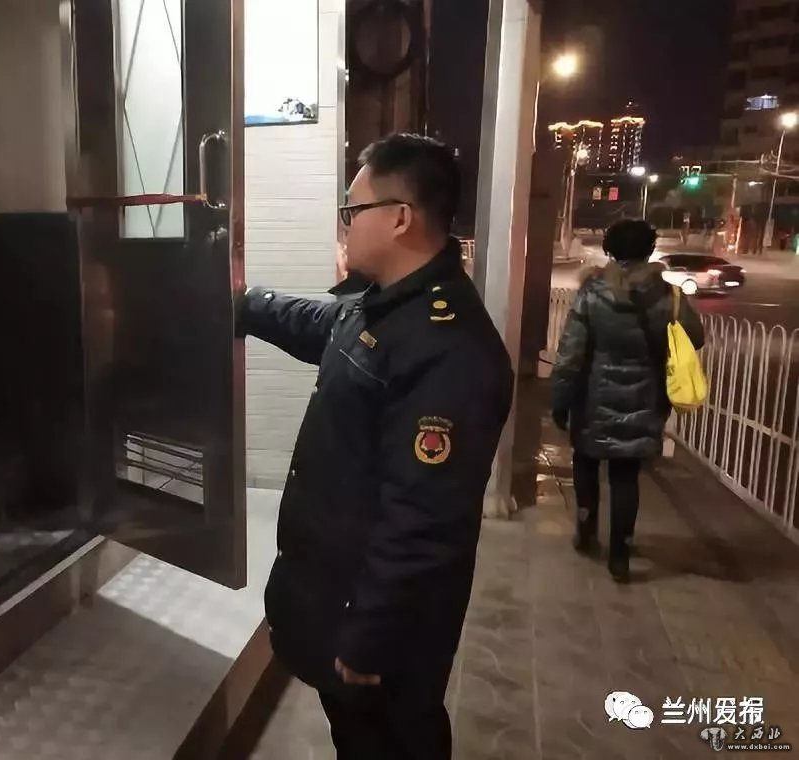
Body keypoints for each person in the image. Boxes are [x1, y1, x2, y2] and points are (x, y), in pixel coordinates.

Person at [237, 133, 514, 759]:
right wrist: (246, 304)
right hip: (339, 598)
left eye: (351, 210)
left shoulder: (450, 349)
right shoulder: (383, 306)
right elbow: (318, 323)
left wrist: (370, 638)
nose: (345, 224)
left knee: (392, 741)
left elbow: (424, 522)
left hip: (381, 631)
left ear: (399, 218)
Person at [551, 219, 704, 583]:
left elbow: (571, 353)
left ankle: (587, 532)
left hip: (593, 399)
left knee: (586, 463)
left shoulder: (593, 293)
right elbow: (695, 337)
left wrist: (560, 399)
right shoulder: (668, 296)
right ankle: (620, 554)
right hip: (645, 399)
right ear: (649, 251)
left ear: (610, 250)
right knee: (625, 476)